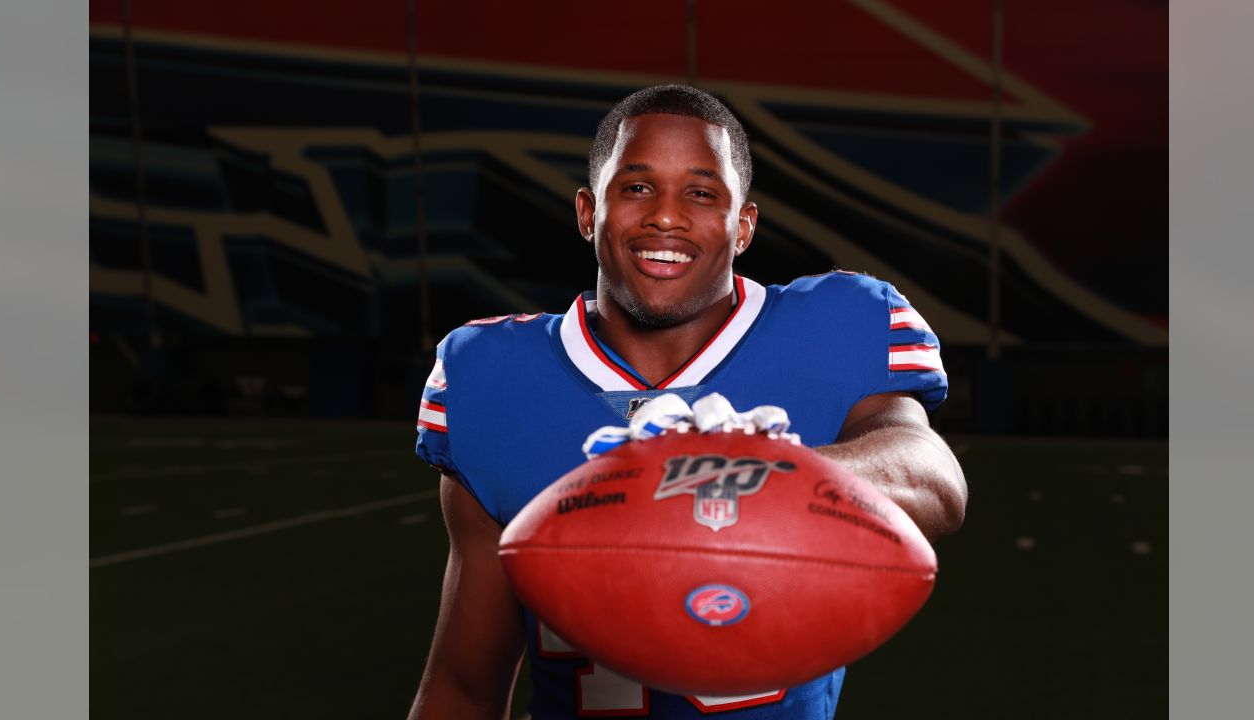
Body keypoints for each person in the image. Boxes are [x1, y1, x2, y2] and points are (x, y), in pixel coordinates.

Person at [408, 85, 967, 719]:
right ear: (589, 212)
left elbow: (934, 480)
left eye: (701, 193)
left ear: (743, 225)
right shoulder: (493, 375)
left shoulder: (837, 322)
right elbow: (465, 686)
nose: (666, 217)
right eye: (637, 187)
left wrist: (759, 470)